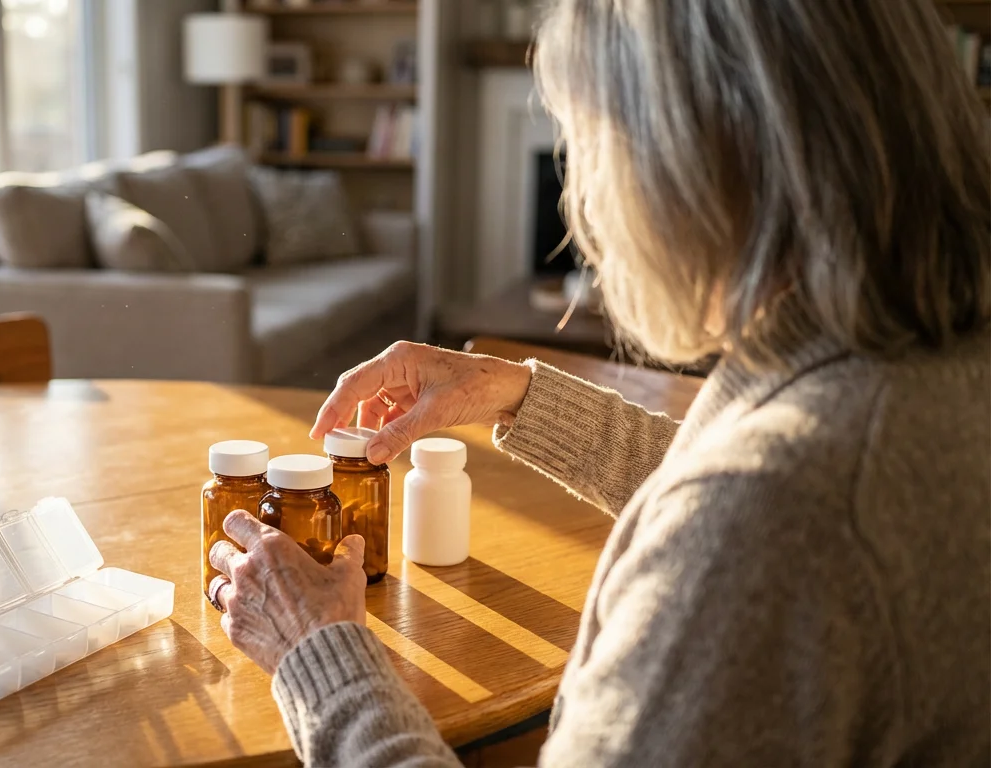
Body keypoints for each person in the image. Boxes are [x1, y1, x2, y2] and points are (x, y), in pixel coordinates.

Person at [206, 0, 991, 764]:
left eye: (585, 146)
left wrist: (319, 656)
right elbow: (723, 478)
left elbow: (750, 509)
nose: (581, 202)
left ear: (696, 160)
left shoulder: (781, 513)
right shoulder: (915, 360)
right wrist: (514, 391)